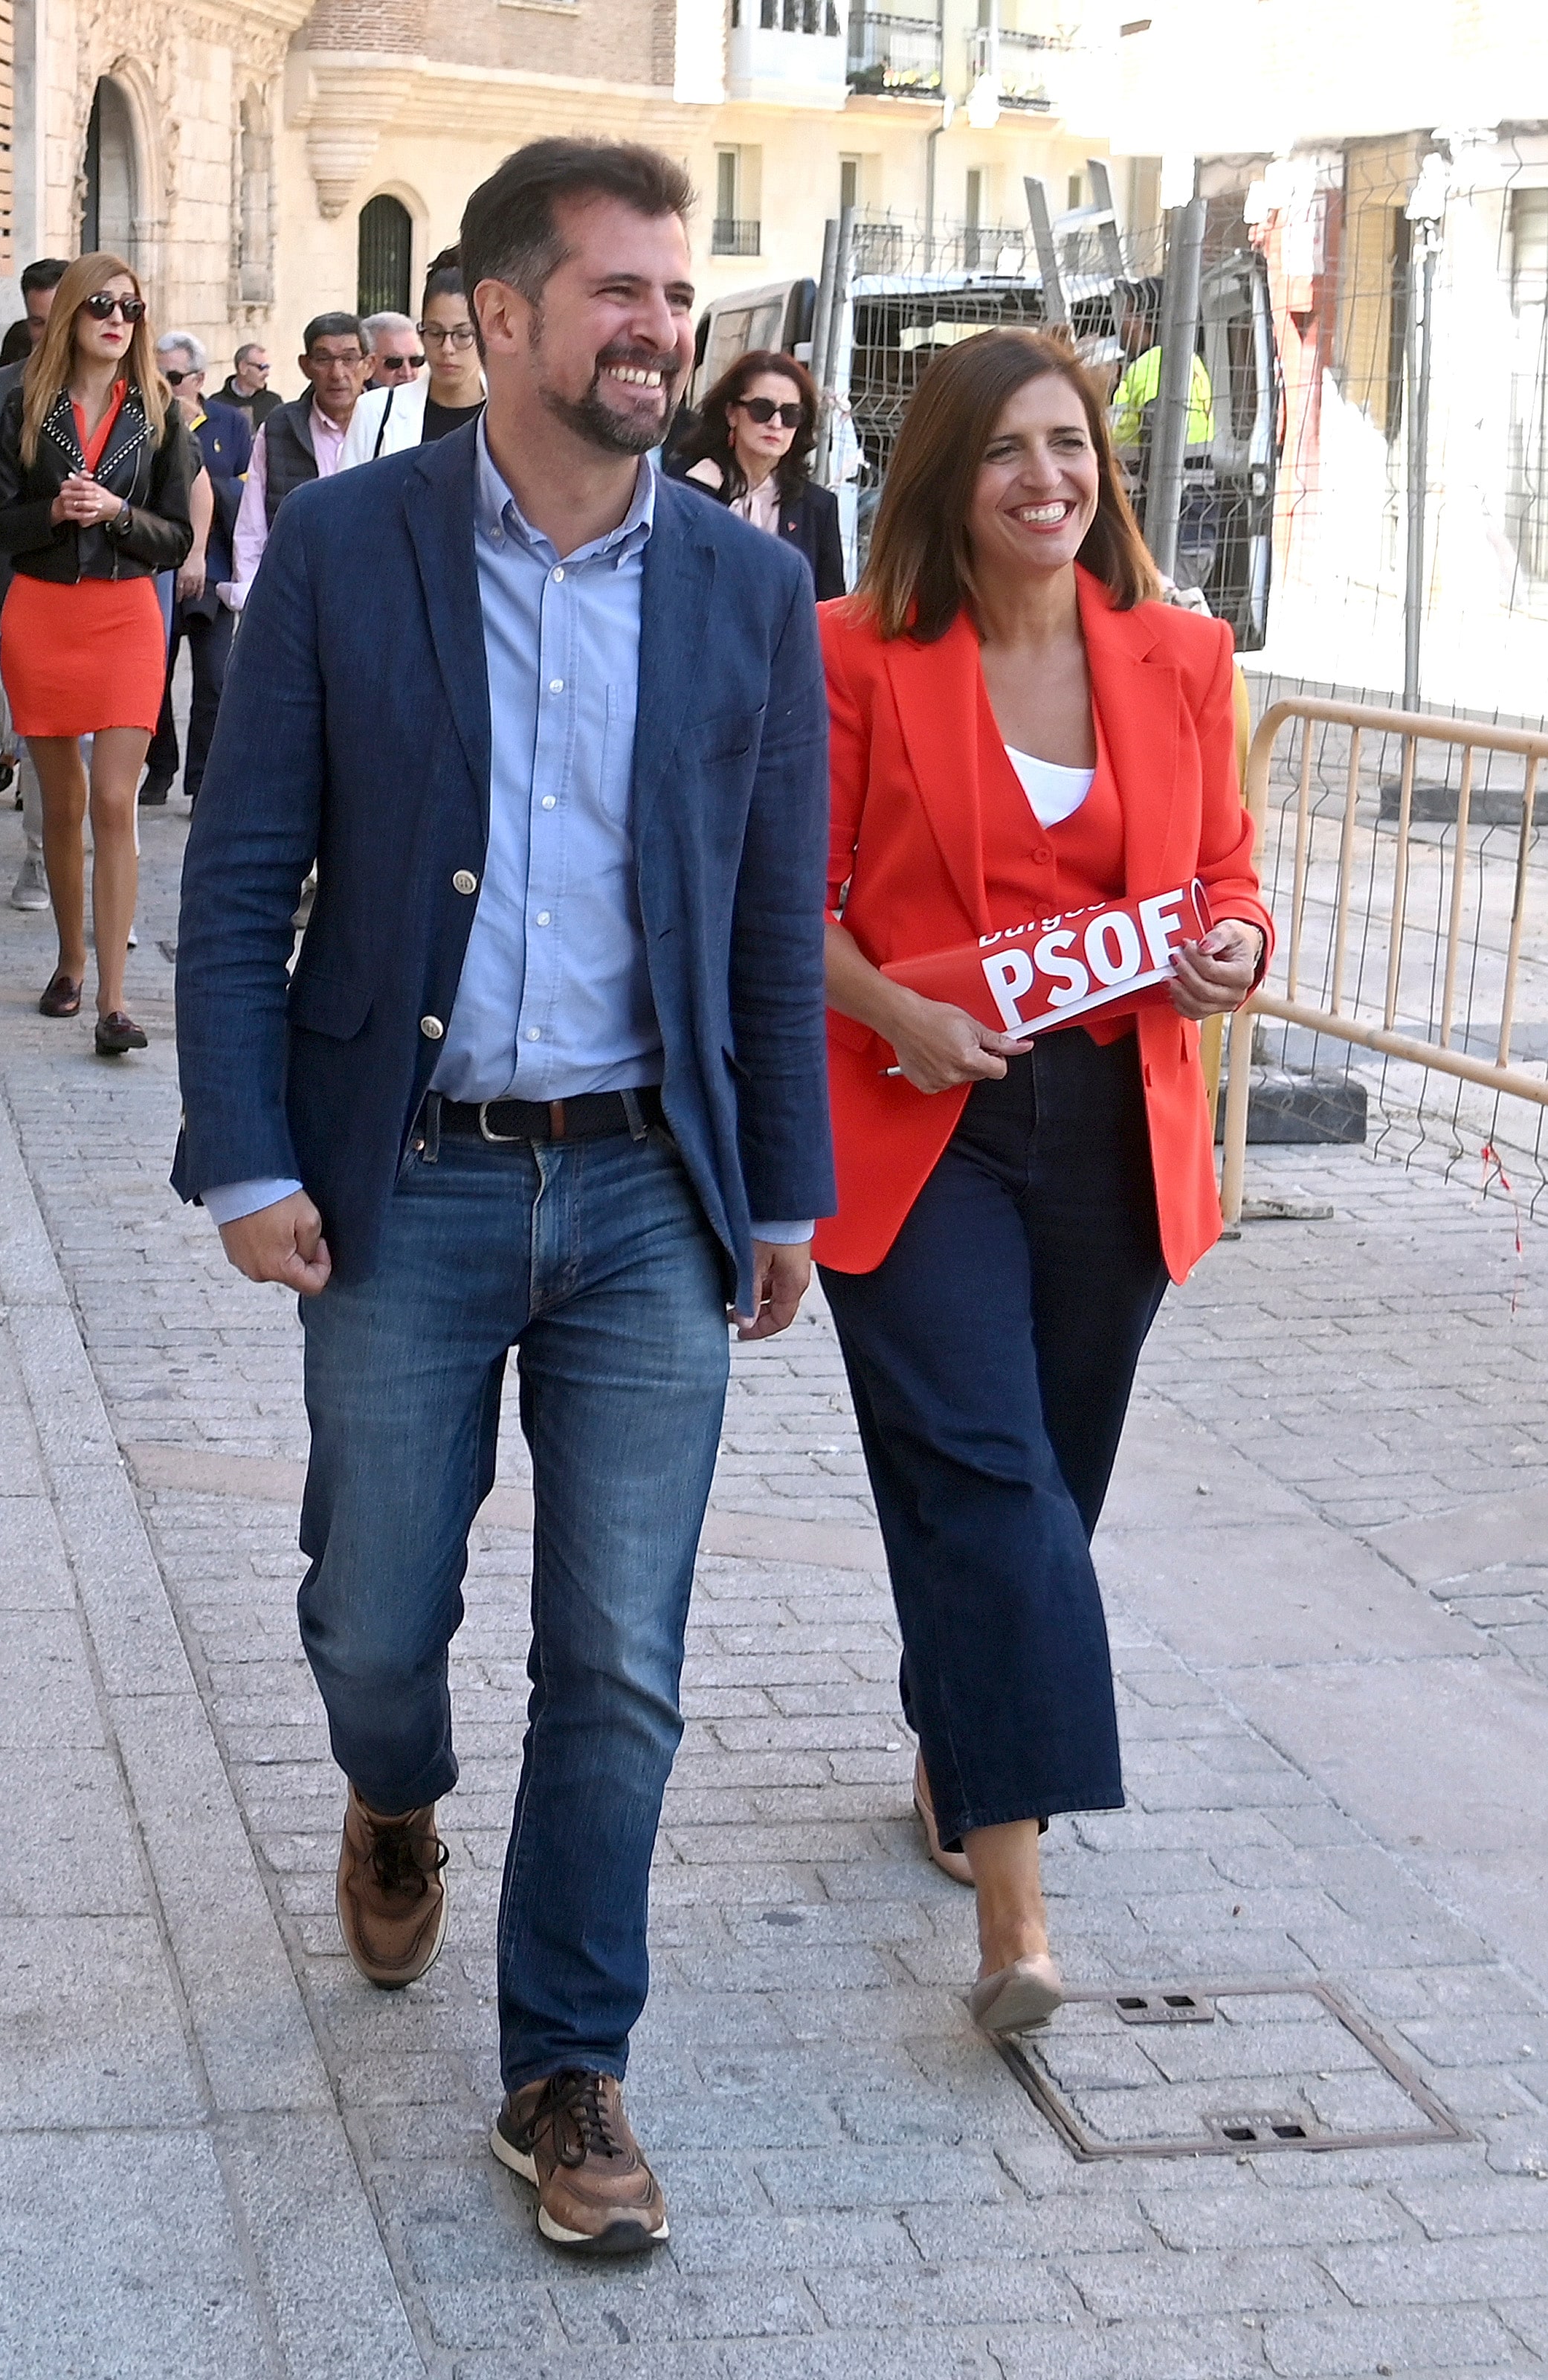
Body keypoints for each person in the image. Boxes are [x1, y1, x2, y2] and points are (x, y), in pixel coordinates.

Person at [173, 136, 831, 2255]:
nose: (661, 328)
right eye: (619, 292)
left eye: (676, 293)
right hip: (407, 1182)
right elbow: (245, 867)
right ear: (498, 318)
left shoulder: (745, 585)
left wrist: (788, 1195)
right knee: (381, 1617)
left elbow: (761, 919)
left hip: (650, 1186)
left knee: (619, 1657)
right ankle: (391, 1787)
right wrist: (250, 1153)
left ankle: (566, 2069)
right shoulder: (356, 551)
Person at [813, 328, 1271, 2037]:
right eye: (1008, 450)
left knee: (1044, 1494)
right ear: (946, 473)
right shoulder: (852, 654)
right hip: (924, 1126)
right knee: (996, 1485)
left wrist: (1233, 940)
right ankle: (1017, 1917)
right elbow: (789, 901)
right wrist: (898, 1013)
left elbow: (1226, 872)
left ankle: (963, 1724)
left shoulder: (1178, 656)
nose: (1048, 480)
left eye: (1070, 446)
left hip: (1112, 1129)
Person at [0, 252, 193, 1055]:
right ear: (70, 312)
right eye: (101, 303)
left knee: (113, 801)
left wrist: (118, 516)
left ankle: (112, 998)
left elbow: (178, 536)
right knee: (58, 806)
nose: (116, 318)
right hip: (42, 616)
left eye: (130, 308)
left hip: (126, 620)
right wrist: (56, 514)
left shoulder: (161, 412)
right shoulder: (25, 409)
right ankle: (69, 961)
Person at [0, 254, 71, 907]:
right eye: (35, 323)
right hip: (24, 575)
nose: (46, 335)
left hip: (112, 590)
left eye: (57, 319)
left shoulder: (134, 391)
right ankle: (38, 857)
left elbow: (180, 491)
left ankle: (111, 894)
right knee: (39, 725)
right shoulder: (2, 389)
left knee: (109, 763)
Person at [140, 332, 251, 805]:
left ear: (199, 380)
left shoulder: (230, 422)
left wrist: (198, 467)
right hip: (156, 564)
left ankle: (202, 780)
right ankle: (159, 767)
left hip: (216, 568)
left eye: (175, 377)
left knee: (213, 679)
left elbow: (245, 495)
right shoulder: (144, 422)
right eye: (158, 375)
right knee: (153, 678)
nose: (166, 385)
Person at [677, 348, 845, 599]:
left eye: (790, 414)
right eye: (761, 409)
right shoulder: (688, 485)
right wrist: (702, 489)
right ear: (732, 413)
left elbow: (827, 607)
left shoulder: (817, 508)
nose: (776, 423)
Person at [222, 313, 365, 608]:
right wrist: (250, 594)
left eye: (349, 359)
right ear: (306, 365)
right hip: (297, 589)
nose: (337, 373)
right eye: (324, 359)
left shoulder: (390, 423)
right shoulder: (280, 428)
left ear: (368, 364)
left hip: (369, 587)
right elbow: (253, 522)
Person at [1109, 277, 1219, 588]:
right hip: (1194, 527)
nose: (1122, 322)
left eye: (1129, 312)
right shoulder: (1189, 363)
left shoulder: (1156, 365)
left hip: (1170, 533)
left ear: (1147, 318)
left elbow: (1158, 446)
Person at [339, 249, 486, 469]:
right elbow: (347, 497)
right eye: (435, 333)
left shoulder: (512, 415)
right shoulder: (377, 411)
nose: (447, 348)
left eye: (462, 335)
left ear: (484, 334)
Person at [207, 341, 282, 433]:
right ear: (243, 367)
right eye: (262, 367)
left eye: (268, 367)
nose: (267, 373)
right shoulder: (216, 404)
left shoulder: (273, 402)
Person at [360, 310, 423, 390]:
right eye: (394, 362)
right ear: (369, 365)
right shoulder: (357, 402)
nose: (407, 373)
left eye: (415, 361)